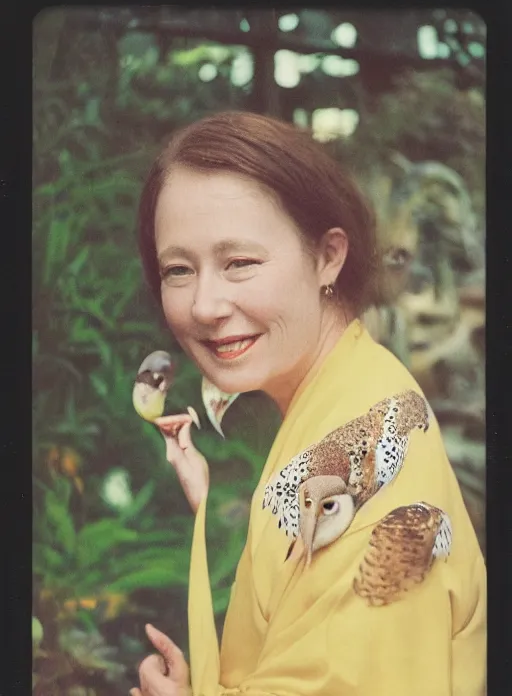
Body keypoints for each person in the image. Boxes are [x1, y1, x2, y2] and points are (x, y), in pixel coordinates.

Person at [129, 111, 486, 696]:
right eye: (177, 270)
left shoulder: (373, 440)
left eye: (239, 262)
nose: (205, 305)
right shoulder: (338, 396)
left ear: (328, 256)